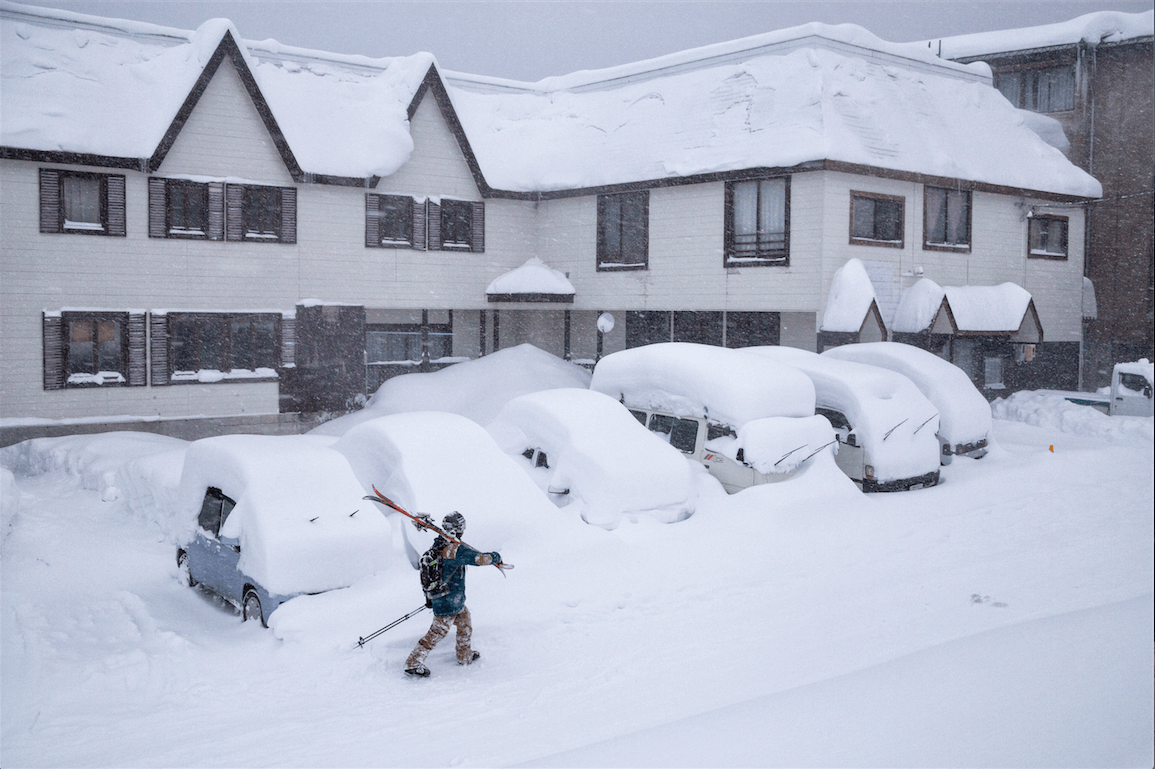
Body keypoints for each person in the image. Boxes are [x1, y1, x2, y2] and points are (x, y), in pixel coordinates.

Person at [405, 512, 502, 678]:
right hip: (448, 601)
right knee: (437, 632)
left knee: (464, 622)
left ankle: (464, 655)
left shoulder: (441, 544)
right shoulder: (454, 550)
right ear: (459, 528)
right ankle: (413, 662)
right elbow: (480, 559)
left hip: (451, 599)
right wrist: (496, 557)